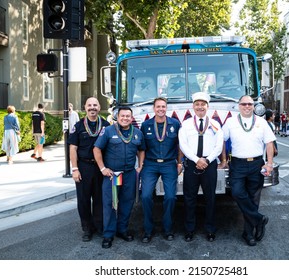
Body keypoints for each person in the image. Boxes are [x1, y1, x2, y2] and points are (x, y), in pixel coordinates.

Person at [222, 95, 276, 246]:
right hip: (237, 164)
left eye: (250, 104)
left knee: (253, 198)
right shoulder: (230, 122)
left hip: (257, 164)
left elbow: (270, 143)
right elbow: (221, 140)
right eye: (244, 104)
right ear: (239, 105)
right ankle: (259, 219)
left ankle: (248, 233)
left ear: (253, 106)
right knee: (237, 192)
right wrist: (224, 160)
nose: (247, 106)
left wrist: (269, 163)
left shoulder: (262, 122)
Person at [94, 107, 145, 249]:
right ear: (118, 116)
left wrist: (140, 166)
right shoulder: (109, 131)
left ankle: (122, 230)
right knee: (110, 204)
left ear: (132, 117)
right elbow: (96, 149)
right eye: (122, 116)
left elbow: (141, 150)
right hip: (113, 175)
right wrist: (103, 168)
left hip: (129, 174)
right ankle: (108, 234)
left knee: (127, 202)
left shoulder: (137, 133)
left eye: (128, 116)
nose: (125, 118)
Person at [178, 92, 224, 242]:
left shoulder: (215, 125)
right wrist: (197, 159)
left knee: (210, 198)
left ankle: (210, 229)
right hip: (191, 164)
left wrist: (208, 159)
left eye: (203, 104)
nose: (200, 107)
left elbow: (219, 146)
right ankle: (189, 229)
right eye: (197, 104)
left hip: (209, 165)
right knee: (189, 197)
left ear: (207, 106)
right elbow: (183, 145)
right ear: (193, 106)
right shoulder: (186, 124)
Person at [140, 97, 182, 243]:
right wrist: (140, 165)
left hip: (169, 164)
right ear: (154, 108)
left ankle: (168, 228)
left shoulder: (175, 124)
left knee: (170, 197)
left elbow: (180, 145)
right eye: (158, 107)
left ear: (166, 108)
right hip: (150, 165)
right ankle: (148, 230)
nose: (161, 109)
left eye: (163, 107)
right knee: (145, 196)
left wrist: (180, 163)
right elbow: (142, 148)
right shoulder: (145, 125)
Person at [68, 97, 109, 242]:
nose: (92, 107)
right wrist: (74, 169)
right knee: (84, 200)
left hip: (100, 168)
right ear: (85, 107)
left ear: (99, 107)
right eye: (89, 105)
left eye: (95, 105)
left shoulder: (105, 124)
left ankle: (99, 226)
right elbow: (73, 148)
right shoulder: (78, 126)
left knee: (100, 199)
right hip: (83, 167)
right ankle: (87, 228)